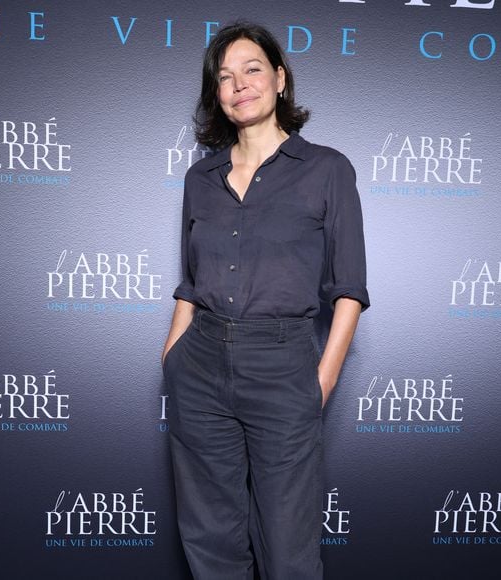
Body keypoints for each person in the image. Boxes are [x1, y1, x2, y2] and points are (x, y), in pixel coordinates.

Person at [162, 21, 369, 580]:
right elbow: (190, 278)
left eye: (252, 69)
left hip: (283, 368)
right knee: (210, 541)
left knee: (288, 548)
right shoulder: (199, 177)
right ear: (217, 94)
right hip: (200, 363)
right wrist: (173, 354)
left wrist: (319, 382)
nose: (239, 84)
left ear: (279, 79)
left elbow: (349, 288)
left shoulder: (327, 169)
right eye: (225, 77)